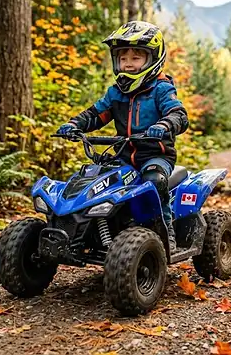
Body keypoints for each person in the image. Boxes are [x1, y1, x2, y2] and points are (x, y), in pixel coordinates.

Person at [56, 21, 189, 252]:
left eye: (136, 58)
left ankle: (165, 235)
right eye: (123, 58)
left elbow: (178, 114)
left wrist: (165, 124)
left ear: (152, 59)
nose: (128, 63)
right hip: (123, 156)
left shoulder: (161, 89)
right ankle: (87, 233)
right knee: (93, 179)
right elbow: (96, 114)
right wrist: (74, 124)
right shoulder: (115, 92)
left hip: (155, 156)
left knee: (154, 181)